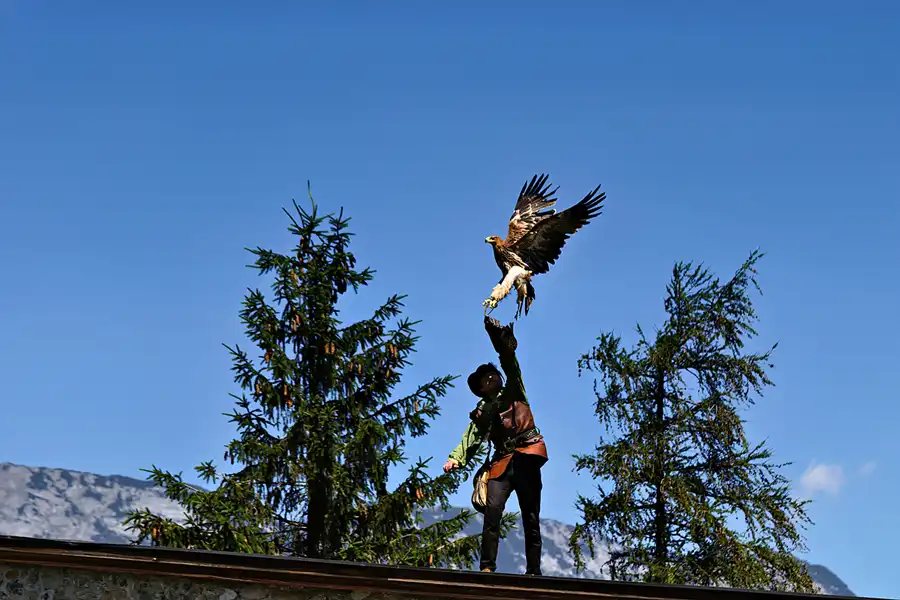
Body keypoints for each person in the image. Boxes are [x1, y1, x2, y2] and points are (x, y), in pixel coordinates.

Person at [443, 316, 548, 575]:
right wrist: (456, 458)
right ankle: (487, 568)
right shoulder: (483, 411)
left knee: (531, 517)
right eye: (483, 378)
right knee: (492, 515)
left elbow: (510, 364)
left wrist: (500, 343)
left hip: (527, 455)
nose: (489, 377)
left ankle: (534, 571)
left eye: (491, 373)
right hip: (501, 464)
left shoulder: (515, 389)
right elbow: (472, 436)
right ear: (479, 389)